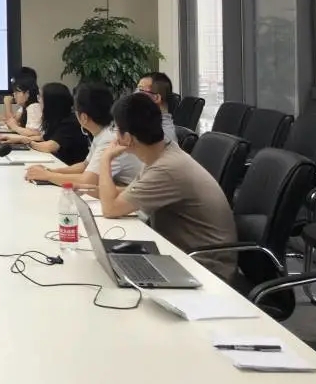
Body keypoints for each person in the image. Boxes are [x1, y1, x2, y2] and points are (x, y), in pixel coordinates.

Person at [97, 94, 237, 280]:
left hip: (205, 268)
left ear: (128, 138)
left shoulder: (166, 168)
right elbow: (127, 194)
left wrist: (105, 159)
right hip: (181, 254)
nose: (114, 134)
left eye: (115, 128)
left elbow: (110, 208)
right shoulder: (162, 152)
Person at [25, 83, 142, 187]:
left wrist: (48, 176)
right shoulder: (103, 132)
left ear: (83, 117)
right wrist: (50, 171)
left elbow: (88, 181)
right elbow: (85, 165)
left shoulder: (110, 138)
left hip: (131, 197)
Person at [0, 82, 89, 165]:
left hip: (68, 167)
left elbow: (49, 146)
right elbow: (43, 137)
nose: (38, 101)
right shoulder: (55, 119)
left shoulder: (70, 122)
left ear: (51, 102)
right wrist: (18, 139)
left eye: (40, 97)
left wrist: (27, 141)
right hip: (58, 163)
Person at [136, 72, 178, 143]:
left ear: (156, 98)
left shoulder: (163, 136)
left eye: (140, 90)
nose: (134, 95)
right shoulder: (148, 125)